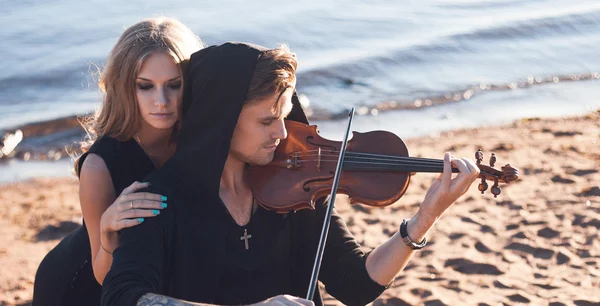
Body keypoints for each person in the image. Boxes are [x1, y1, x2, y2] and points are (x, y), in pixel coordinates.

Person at [101, 42, 480, 306]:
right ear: (220, 121)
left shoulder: (294, 185)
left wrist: (425, 217)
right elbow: (123, 297)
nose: (282, 133)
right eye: (267, 121)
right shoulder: (159, 197)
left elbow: (355, 284)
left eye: (283, 116)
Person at [32, 17, 203, 306]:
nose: (161, 100)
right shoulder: (99, 166)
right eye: (145, 86)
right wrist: (109, 231)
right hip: (79, 285)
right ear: (124, 87)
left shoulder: (197, 139)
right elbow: (104, 275)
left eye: (173, 85)